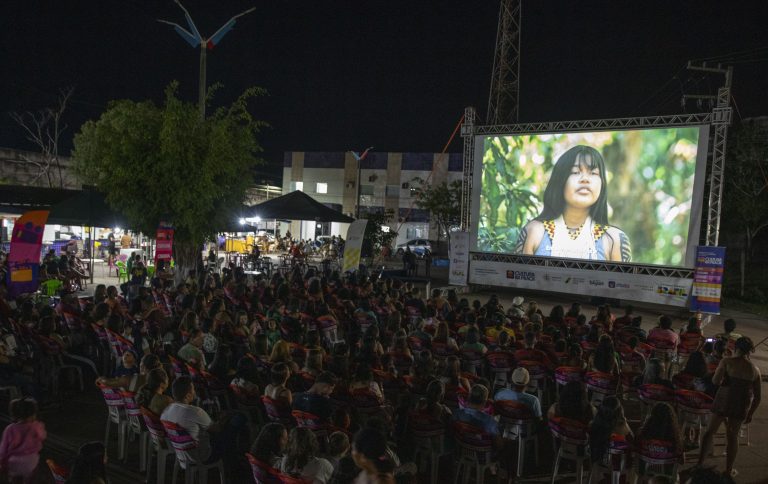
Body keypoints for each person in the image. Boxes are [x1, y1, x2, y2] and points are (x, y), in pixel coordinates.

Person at [515, 145, 631, 262]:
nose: (585, 179)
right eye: (575, 172)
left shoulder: (614, 240)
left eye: (593, 173)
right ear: (560, 180)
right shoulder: (534, 231)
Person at [698, 337, 762, 478]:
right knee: (732, 436)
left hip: (723, 400)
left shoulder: (727, 361)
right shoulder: (755, 370)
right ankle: (728, 470)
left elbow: (715, 381)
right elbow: (758, 397)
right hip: (740, 405)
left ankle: (699, 463)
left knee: (710, 432)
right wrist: (750, 413)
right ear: (749, 351)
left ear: (736, 348)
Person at [0, 398, 46, 483]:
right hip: (31, 461)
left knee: (15, 480)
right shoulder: (36, 426)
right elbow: (42, 436)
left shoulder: (10, 429)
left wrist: (2, 463)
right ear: (33, 413)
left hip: (14, 462)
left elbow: (3, 449)